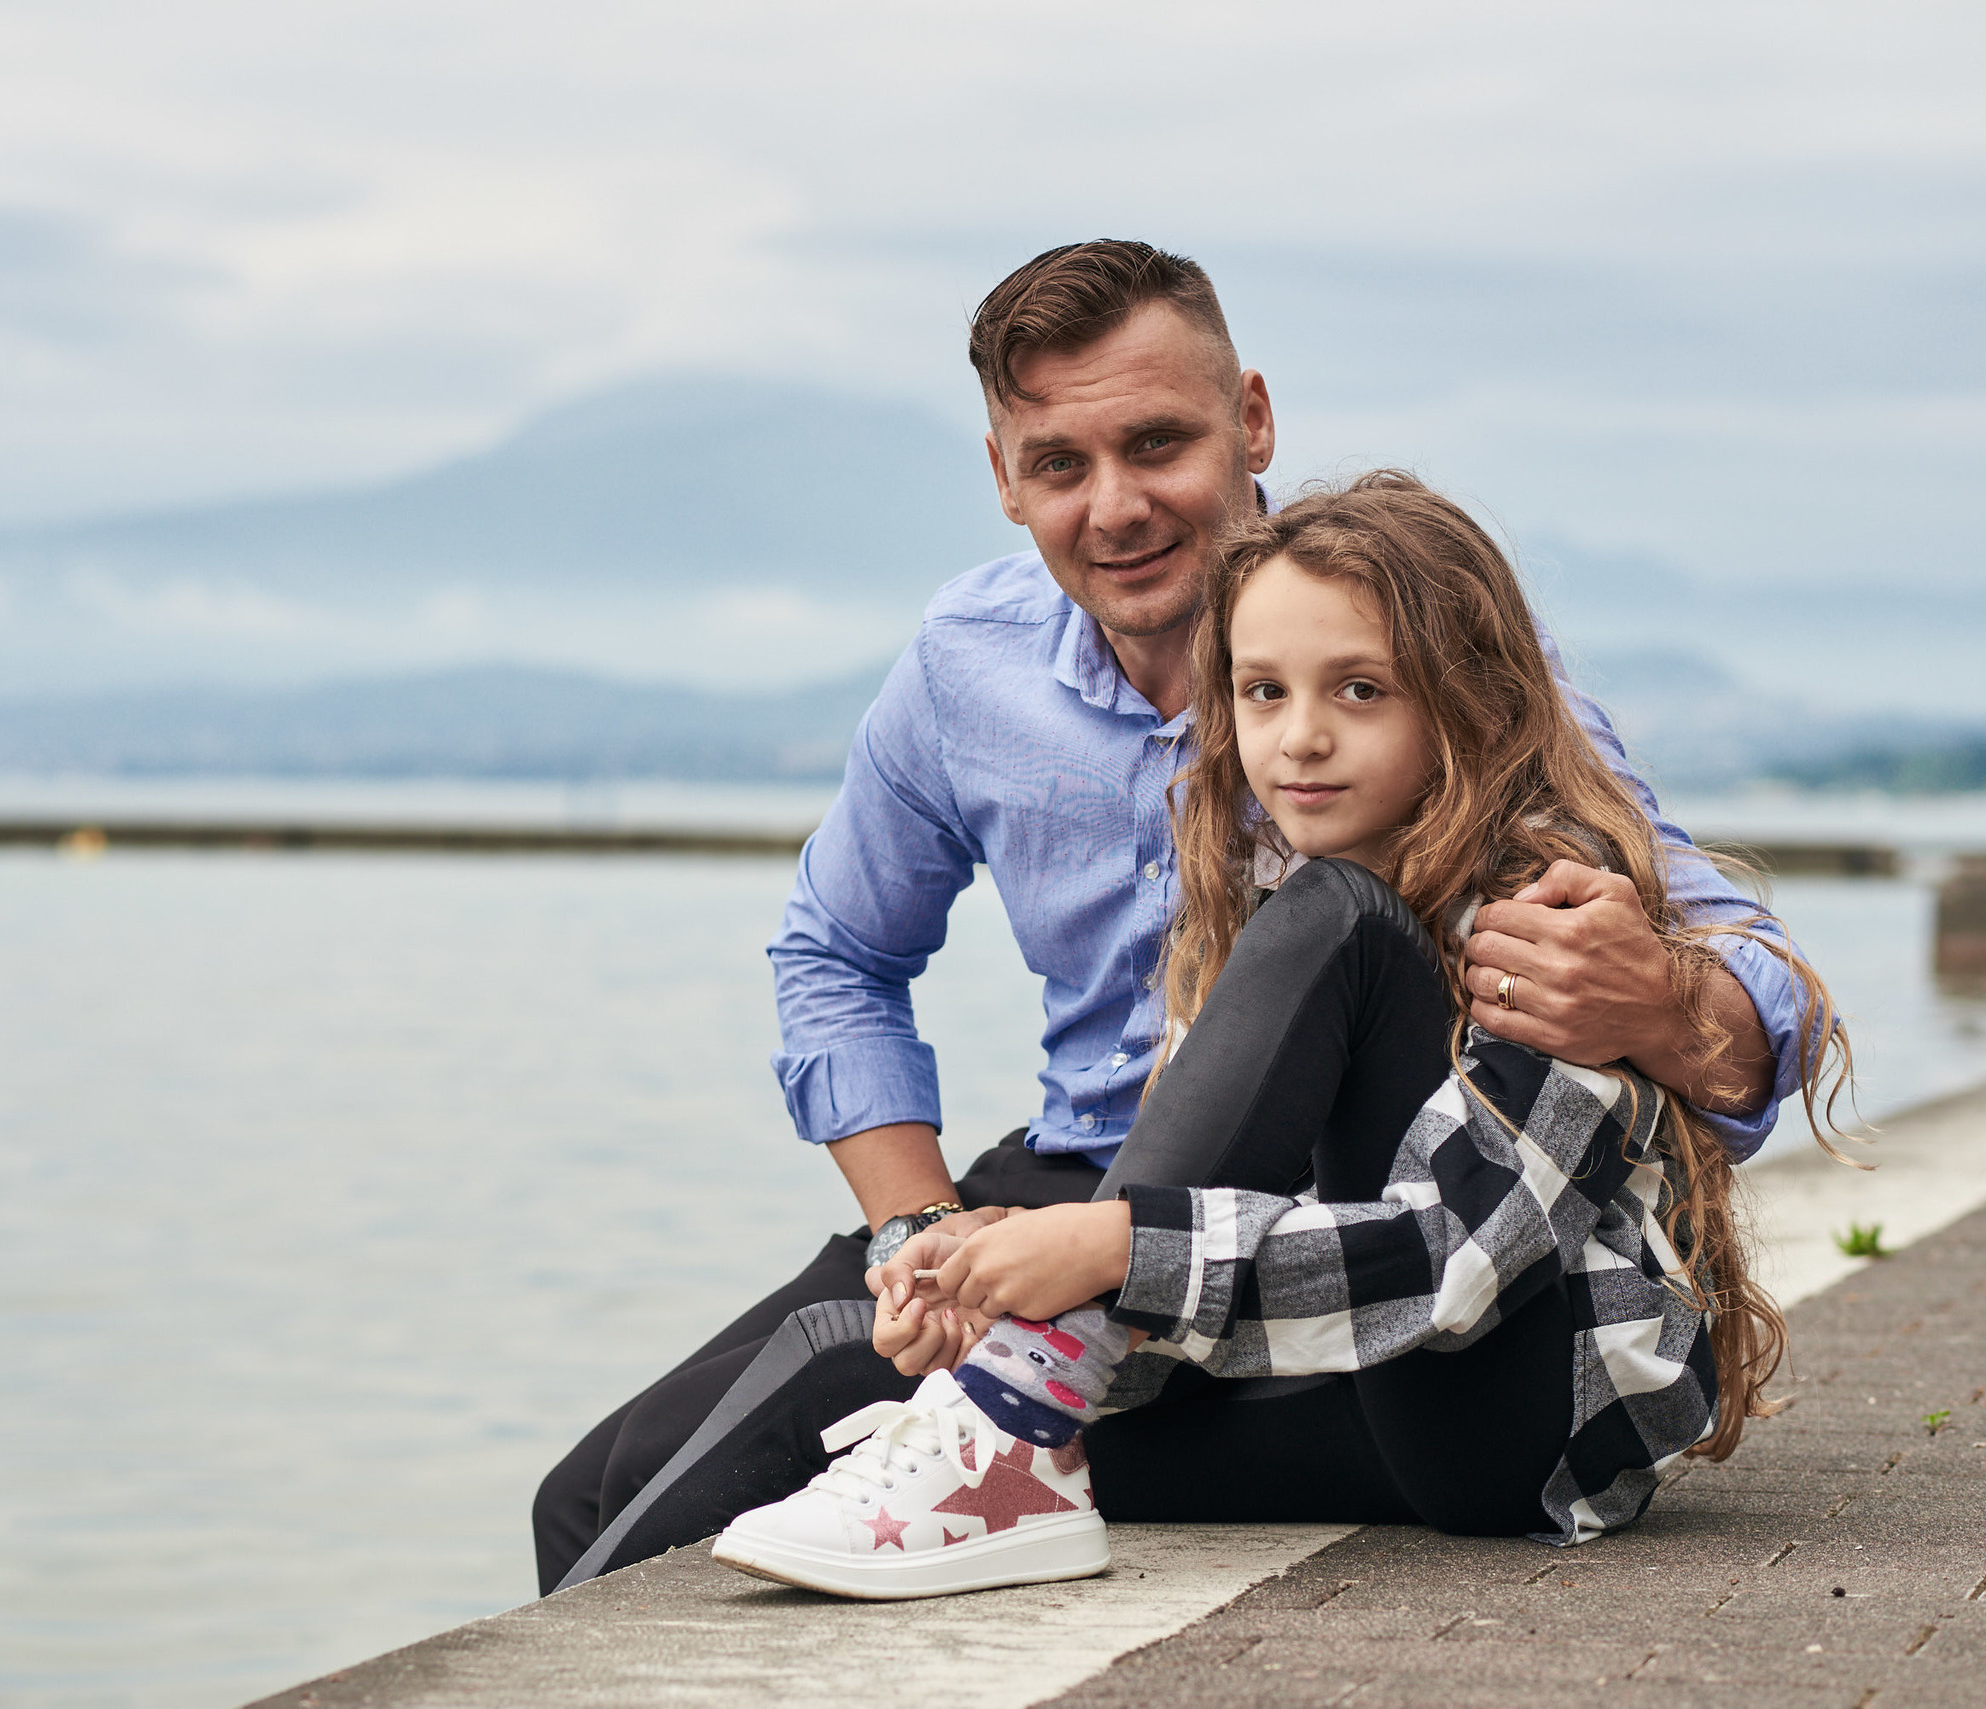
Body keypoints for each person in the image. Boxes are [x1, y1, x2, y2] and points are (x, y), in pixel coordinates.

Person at [532, 242, 1815, 1595]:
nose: (1118, 505)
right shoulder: (968, 665)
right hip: (1083, 1172)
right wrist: (924, 1229)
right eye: (1061, 465)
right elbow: (837, 953)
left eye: (1158, 443)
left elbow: (1729, 971)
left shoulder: (1429, 651)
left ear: (1251, 419)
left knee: (812, 1399)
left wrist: (1664, 1002)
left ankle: (1023, 1405)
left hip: (1343, 1206)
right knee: (597, 1489)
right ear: (1003, 478)